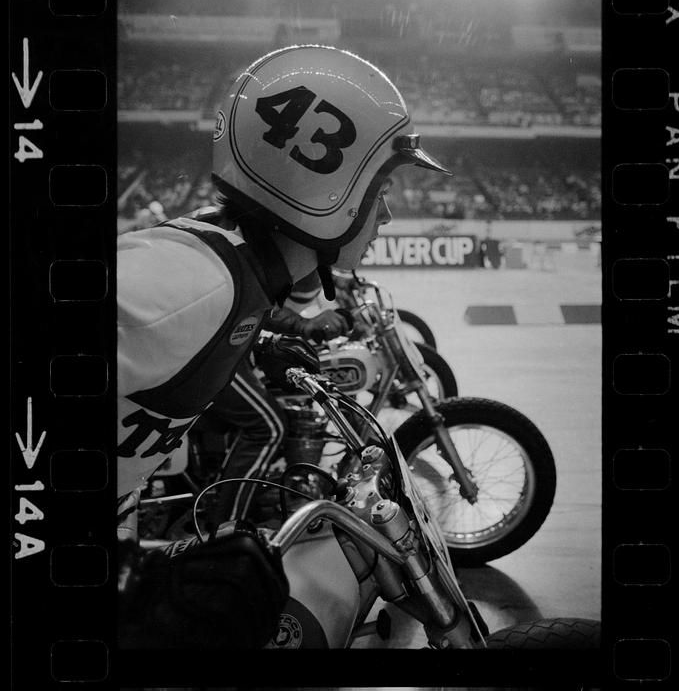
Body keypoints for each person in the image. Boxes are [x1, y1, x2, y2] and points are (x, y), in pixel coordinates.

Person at [117, 44, 450, 649]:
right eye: (381, 190)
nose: (388, 216)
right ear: (329, 184)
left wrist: (263, 342)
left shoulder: (234, 267)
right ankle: (223, 522)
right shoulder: (190, 286)